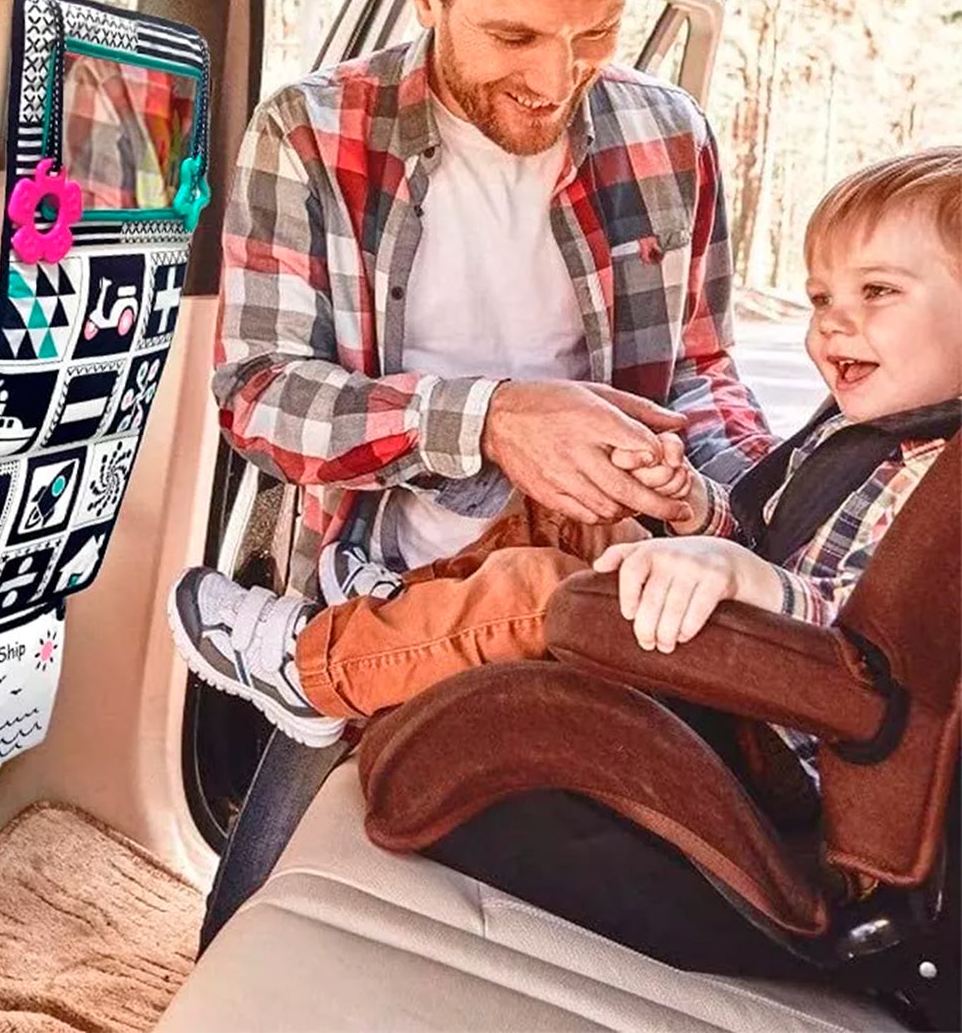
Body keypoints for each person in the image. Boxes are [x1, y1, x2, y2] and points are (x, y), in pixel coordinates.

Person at [167, 0, 771, 742]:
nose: (555, 79)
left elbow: (702, 372)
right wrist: (489, 418)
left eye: (597, 31)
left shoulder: (670, 136)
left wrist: (718, 498)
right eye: (513, 34)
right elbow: (256, 395)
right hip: (382, 593)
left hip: (608, 591)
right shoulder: (310, 133)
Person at [171, 149, 962, 752]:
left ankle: (316, 671)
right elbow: (776, 536)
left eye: (878, 292)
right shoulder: (863, 430)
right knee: (588, 505)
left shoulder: (941, 490)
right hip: (754, 671)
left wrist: (745, 579)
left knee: (546, 588)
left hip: (778, 738)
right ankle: (399, 611)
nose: (830, 323)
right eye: (821, 296)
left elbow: (878, 659)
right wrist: (692, 505)